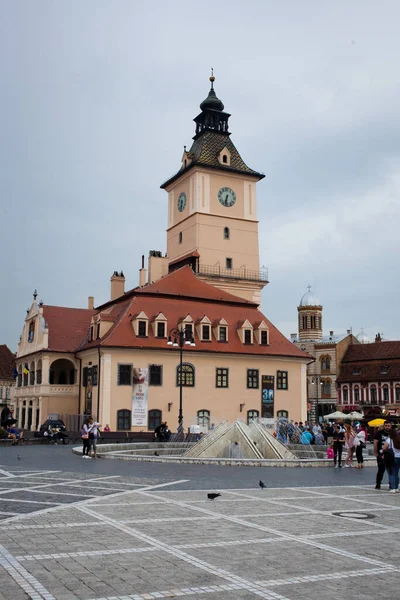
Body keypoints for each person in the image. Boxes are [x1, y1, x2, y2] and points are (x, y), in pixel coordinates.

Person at [374, 421, 392, 490]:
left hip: (390, 454)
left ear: (390, 426)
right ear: (384, 426)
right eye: (386, 425)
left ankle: (391, 484)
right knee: (381, 470)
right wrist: (376, 453)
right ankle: (378, 483)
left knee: (390, 470)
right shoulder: (379, 433)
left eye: (388, 425)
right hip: (381, 453)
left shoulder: (392, 433)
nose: (387, 427)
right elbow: (375, 443)